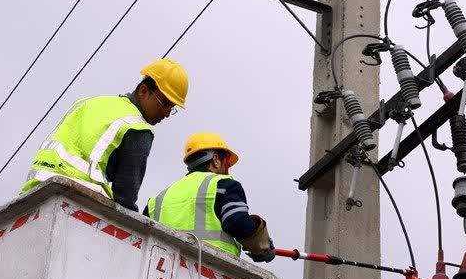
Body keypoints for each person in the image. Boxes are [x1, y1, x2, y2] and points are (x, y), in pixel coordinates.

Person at [20, 58, 188, 211]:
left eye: (172, 108)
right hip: (78, 199)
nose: (166, 113)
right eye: (165, 103)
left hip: (33, 192)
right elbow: (125, 196)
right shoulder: (138, 128)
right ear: (144, 91)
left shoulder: (90, 102)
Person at [144, 133, 275, 262]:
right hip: (209, 271)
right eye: (227, 163)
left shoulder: (159, 197)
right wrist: (262, 246)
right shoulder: (224, 184)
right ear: (216, 160)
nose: (228, 169)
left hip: (161, 270)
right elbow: (238, 222)